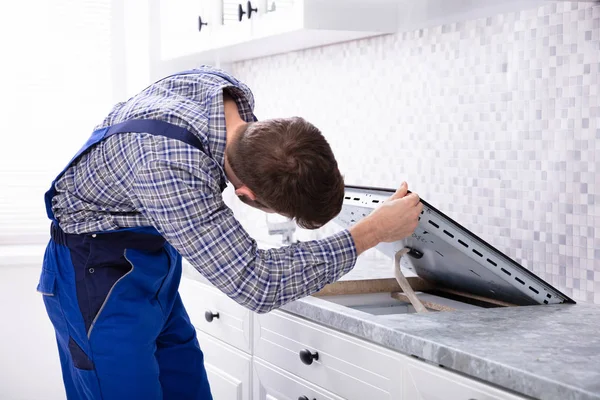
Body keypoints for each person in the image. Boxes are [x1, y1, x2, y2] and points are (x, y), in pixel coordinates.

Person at [37, 65, 423, 399]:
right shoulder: (170, 165)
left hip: (150, 263)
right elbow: (257, 283)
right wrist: (369, 233)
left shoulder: (225, 94)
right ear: (246, 195)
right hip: (94, 276)